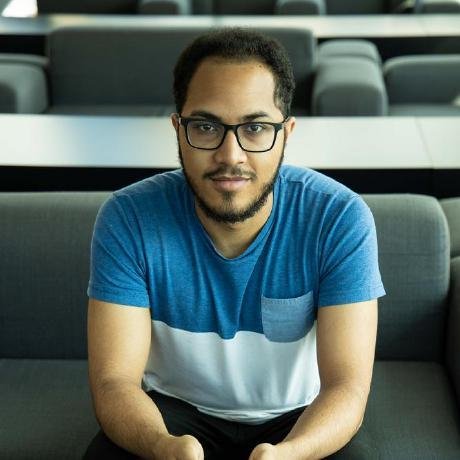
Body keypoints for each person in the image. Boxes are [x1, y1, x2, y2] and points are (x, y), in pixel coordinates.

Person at [84, 28, 385, 460]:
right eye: (206, 127)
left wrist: (288, 455)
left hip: (299, 417)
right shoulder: (127, 218)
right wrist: (163, 447)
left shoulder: (339, 218)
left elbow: (346, 388)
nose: (230, 155)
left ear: (286, 133)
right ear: (178, 129)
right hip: (170, 413)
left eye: (255, 128)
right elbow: (114, 383)